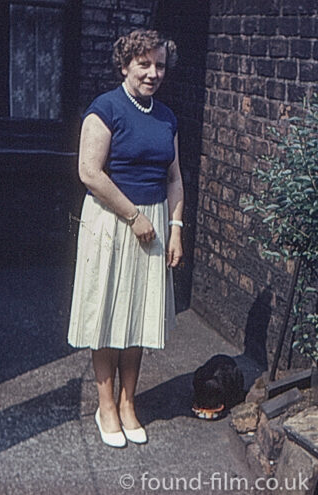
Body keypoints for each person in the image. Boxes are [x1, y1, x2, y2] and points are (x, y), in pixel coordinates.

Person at [67, 29, 183, 448]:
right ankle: (106, 406)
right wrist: (133, 217)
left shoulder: (167, 117)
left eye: (160, 66)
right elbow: (89, 172)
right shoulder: (105, 109)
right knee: (107, 317)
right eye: (144, 65)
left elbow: (174, 178)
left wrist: (176, 229)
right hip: (114, 220)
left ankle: (129, 402)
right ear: (125, 66)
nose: (153, 73)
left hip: (153, 221)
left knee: (138, 318)